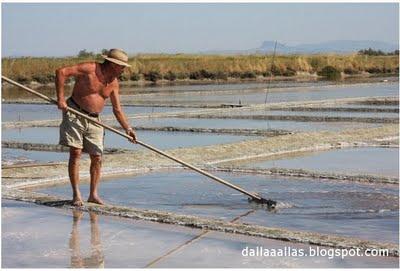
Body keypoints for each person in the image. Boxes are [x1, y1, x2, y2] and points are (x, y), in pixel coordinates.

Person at [55, 48, 137, 206]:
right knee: (76, 152)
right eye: (122, 66)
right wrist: (60, 99)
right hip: (75, 112)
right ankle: (76, 195)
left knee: (97, 157)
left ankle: (93, 194)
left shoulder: (113, 83)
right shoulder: (90, 69)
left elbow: (117, 109)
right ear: (113, 64)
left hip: (95, 120)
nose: (124, 69)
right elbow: (61, 72)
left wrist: (128, 129)